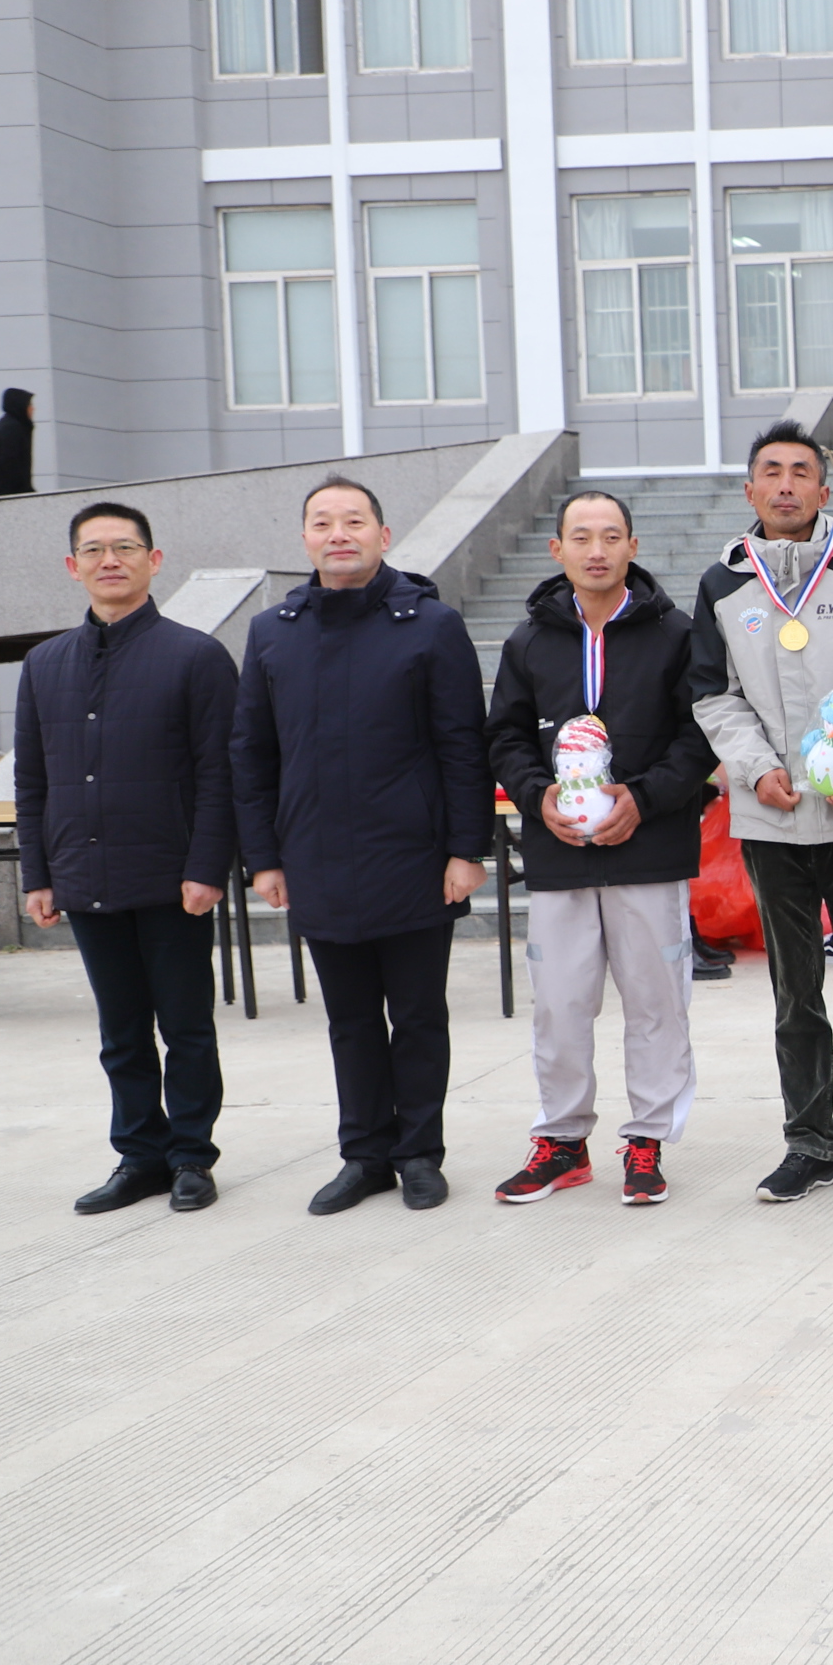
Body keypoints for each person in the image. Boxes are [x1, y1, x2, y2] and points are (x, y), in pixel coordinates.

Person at [234, 478, 490, 1215]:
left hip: (413, 858)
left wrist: (466, 849)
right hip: (314, 857)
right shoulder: (273, 631)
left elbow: (462, 745)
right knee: (348, 1021)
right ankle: (365, 1155)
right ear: (305, 539)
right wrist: (264, 857)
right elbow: (251, 752)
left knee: (417, 1017)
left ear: (383, 534)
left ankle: (419, 1154)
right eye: (323, 523)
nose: (338, 534)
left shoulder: (430, 625)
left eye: (354, 521)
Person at [690, 421, 833, 1202]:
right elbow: (713, 695)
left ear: (824, 490)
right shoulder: (723, 585)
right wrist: (757, 771)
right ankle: (812, 1144)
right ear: (750, 489)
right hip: (773, 819)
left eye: (800, 472)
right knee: (794, 991)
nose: (785, 484)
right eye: (771, 472)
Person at [483, 490, 718, 1207]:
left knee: (656, 1004)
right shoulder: (529, 642)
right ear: (556, 549)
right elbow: (505, 737)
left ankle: (647, 1140)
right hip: (560, 855)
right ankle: (562, 1141)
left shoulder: (676, 634)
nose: (596, 550)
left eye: (611, 536)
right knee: (559, 1005)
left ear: (632, 547)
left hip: (650, 849)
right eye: (581, 537)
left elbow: (701, 734)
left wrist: (642, 798)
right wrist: (538, 797)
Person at [17, 501, 238, 1215]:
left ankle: (191, 1157)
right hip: (83, 876)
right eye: (93, 550)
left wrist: (207, 868)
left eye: (125, 547)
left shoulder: (196, 656)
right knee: (120, 1034)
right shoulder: (44, 664)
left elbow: (220, 775)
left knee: (186, 1028)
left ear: (154, 560)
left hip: (172, 878)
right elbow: (33, 779)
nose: (109, 561)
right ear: (72, 565)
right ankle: (139, 1155)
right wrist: (38, 874)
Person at [0, 388, 35, 497]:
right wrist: (25, 491)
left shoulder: (8, 425)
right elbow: (10, 463)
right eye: (29, 404)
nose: (32, 408)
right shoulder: (12, 428)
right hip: (2, 497)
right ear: (20, 406)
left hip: (1, 495)